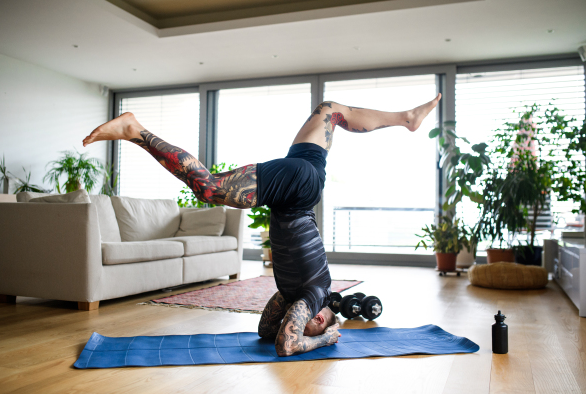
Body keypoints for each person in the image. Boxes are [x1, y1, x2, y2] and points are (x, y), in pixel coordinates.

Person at [82, 93, 441, 356]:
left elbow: (269, 332)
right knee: (209, 188)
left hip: (303, 176)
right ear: (329, 311)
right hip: (299, 189)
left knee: (332, 111)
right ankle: (134, 129)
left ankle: (406, 118)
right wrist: (325, 339)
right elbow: (289, 346)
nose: (312, 323)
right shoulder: (316, 294)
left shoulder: (290, 297)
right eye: (323, 321)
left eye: (312, 325)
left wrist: (302, 326)